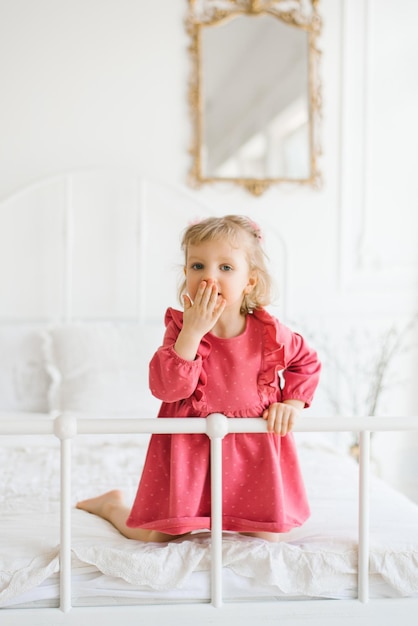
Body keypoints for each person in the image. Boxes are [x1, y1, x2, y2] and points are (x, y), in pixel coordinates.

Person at [77, 215, 321, 543]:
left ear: (250, 281)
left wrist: (291, 404)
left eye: (225, 268)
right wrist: (192, 333)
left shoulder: (270, 333)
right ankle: (111, 506)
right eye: (197, 266)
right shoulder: (180, 329)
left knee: (265, 539)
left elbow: (306, 362)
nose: (209, 277)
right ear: (185, 273)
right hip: (189, 450)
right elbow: (166, 388)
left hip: (251, 454)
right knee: (157, 539)